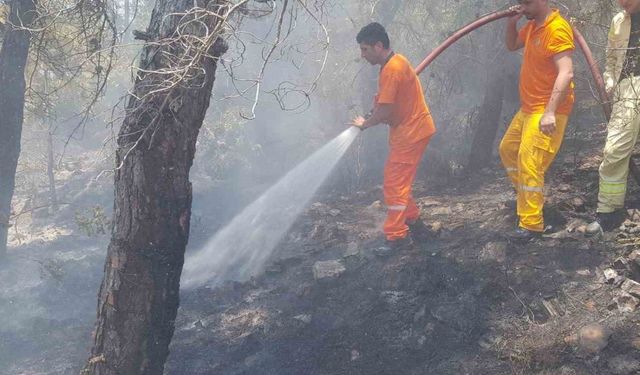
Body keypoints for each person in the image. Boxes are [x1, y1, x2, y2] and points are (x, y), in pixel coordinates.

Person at [351, 22, 436, 252]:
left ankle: (397, 236)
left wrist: (365, 124)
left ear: (379, 45)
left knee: (394, 182)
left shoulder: (392, 69)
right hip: (410, 130)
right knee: (399, 180)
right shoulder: (395, 63)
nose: (362, 55)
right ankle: (413, 222)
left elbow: (386, 111)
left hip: (411, 132)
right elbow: (388, 103)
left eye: (365, 49)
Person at [500, 0, 575, 240]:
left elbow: (566, 71)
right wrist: (512, 23)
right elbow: (512, 45)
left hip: (547, 109)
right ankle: (529, 200)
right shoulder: (533, 26)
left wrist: (550, 111)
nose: (523, 8)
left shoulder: (557, 28)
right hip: (529, 107)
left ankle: (531, 224)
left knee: (528, 158)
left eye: (527, 3)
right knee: (508, 149)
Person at [586, 0, 640, 235]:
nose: (621, 1)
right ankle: (609, 212)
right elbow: (610, 58)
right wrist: (609, 80)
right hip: (628, 88)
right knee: (615, 148)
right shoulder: (618, 21)